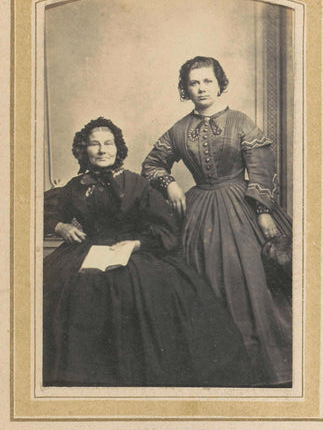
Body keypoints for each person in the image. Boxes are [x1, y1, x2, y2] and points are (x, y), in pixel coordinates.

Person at [43, 116, 252, 387]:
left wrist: (136, 244)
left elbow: (166, 228)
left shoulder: (136, 183)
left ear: (118, 149)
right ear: (84, 150)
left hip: (134, 251)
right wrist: (61, 227)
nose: (103, 149)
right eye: (95, 144)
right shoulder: (75, 186)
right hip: (85, 251)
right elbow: (50, 213)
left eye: (109, 143)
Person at [141, 56, 292, 387]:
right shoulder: (179, 129)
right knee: (203, 282)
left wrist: (263, 210)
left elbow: (262, 165)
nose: (201, 88)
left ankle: (264, 367)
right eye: (194, 83)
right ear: (186, 89)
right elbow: (152, 164)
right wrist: (171, 183)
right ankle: (222, 366)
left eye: (207, 81)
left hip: (244, 207)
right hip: (199, 214)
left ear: (219, 83)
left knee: (251, 278)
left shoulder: (239, 121)